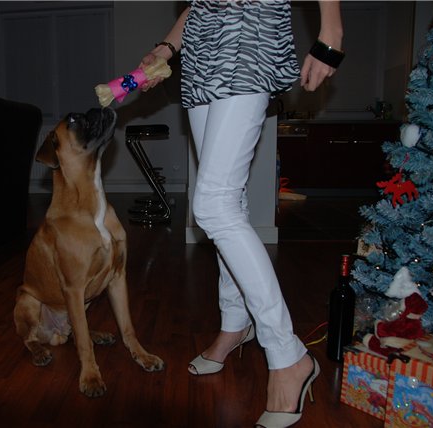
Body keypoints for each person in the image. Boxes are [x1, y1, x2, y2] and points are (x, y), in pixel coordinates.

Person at [140, 1, 344, 427]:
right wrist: (166, 49)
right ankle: (235, 324)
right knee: (229, 202)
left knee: (213, 205)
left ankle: (287, 354)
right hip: (201, 51)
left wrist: (331, 30)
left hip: (248, 29)